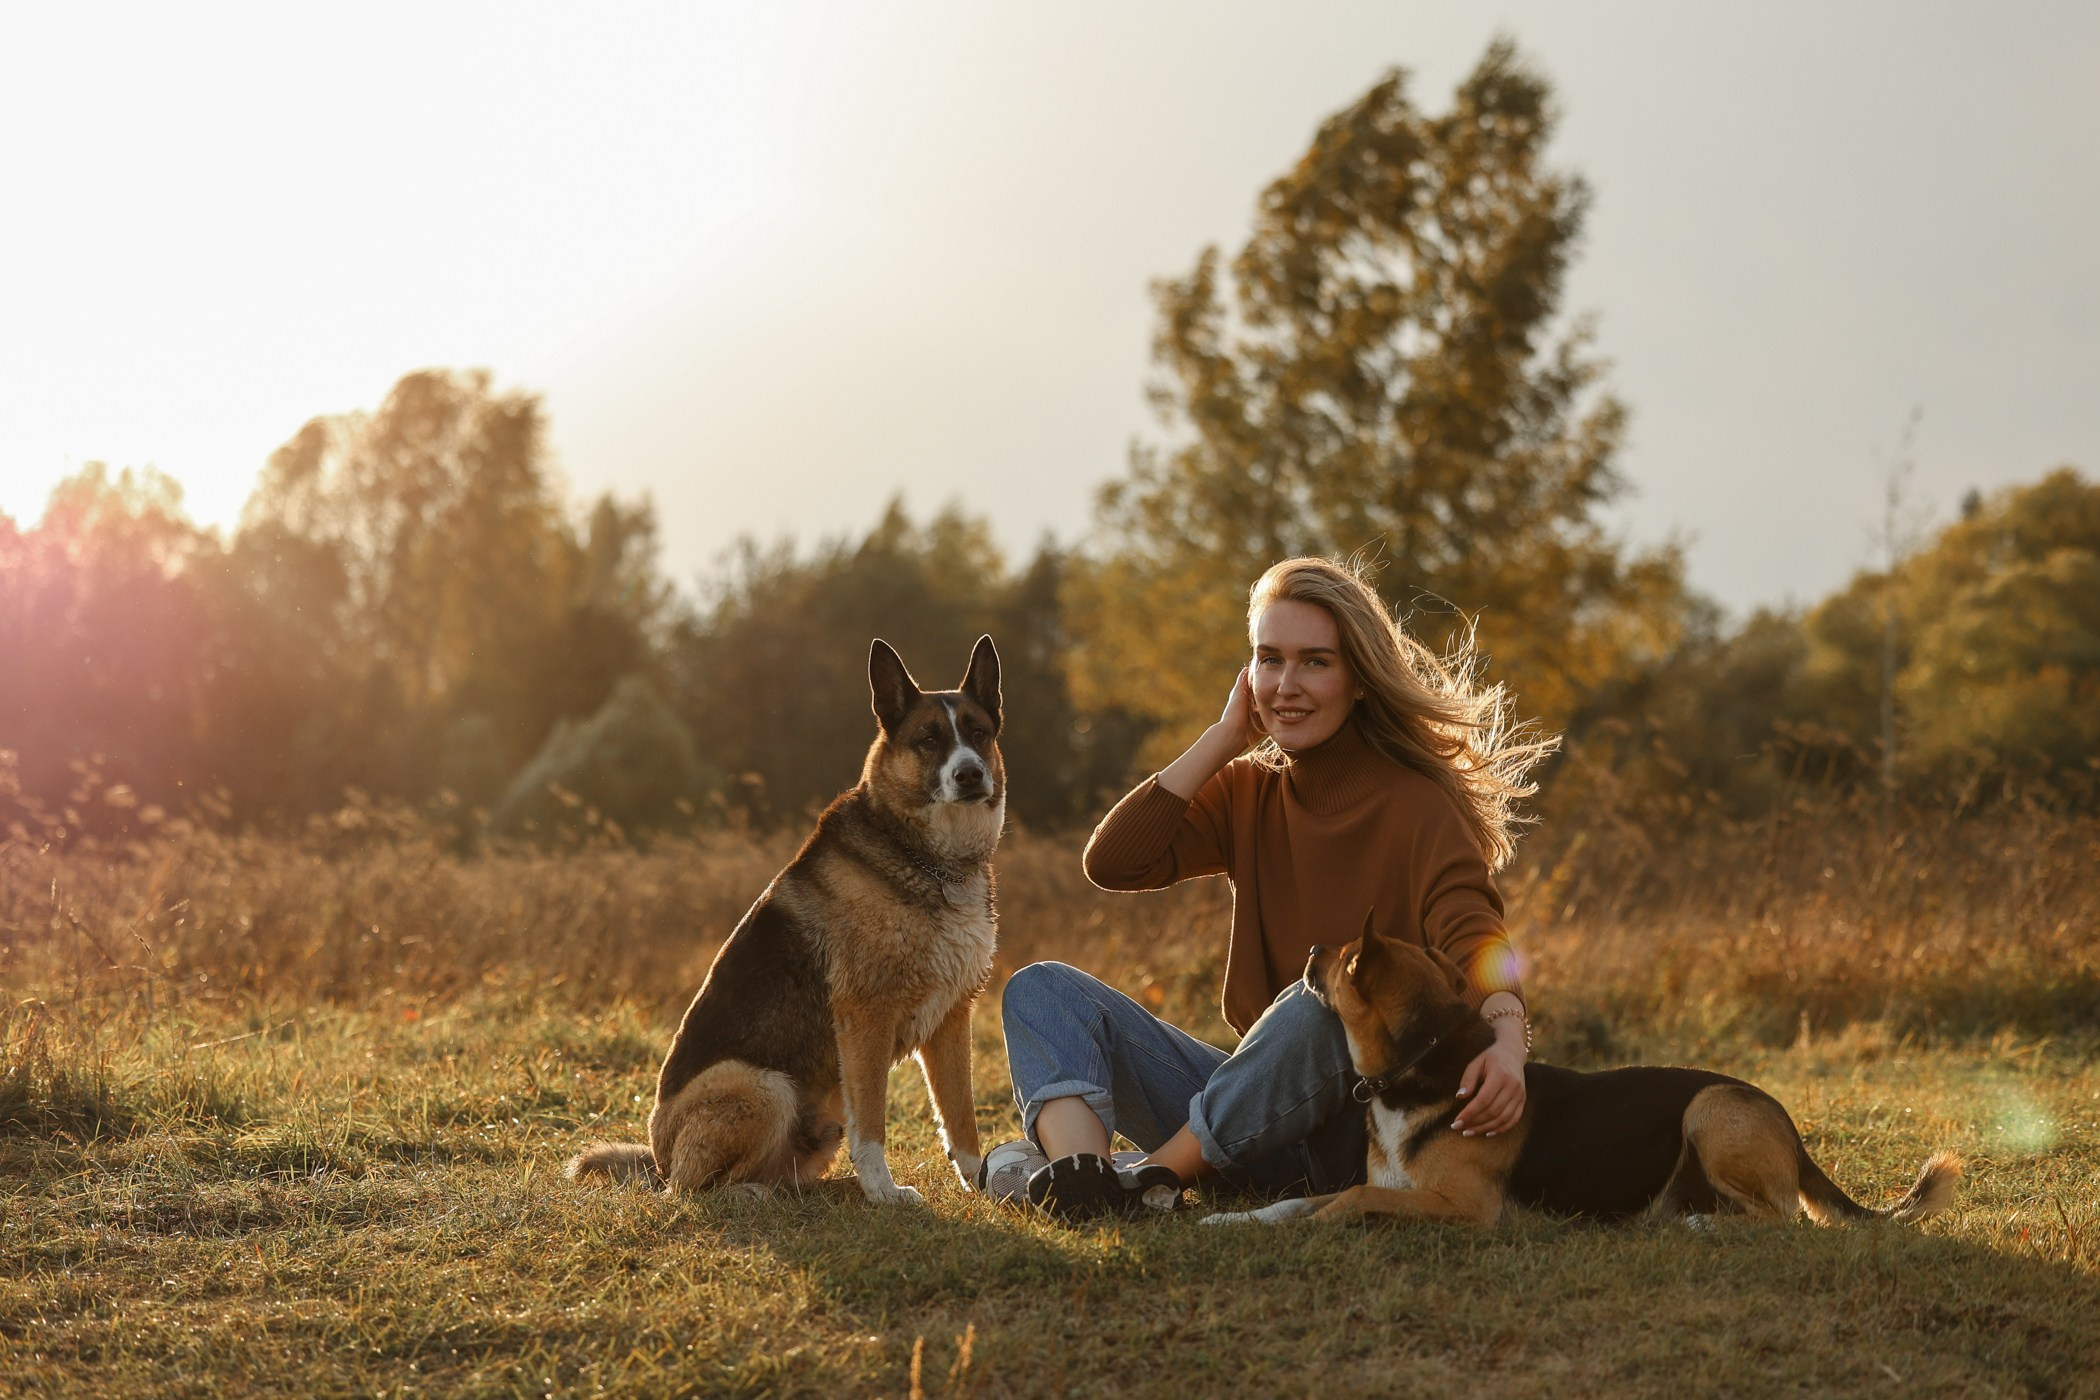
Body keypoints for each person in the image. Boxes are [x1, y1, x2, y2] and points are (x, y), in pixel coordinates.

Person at [981, 557, 1556, 1219]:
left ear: (1359, 680)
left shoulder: (1420, 807)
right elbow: (1114, 863)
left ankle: (1150, 1177)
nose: (1286, 685)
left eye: (1316, 662)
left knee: (1324, 1000)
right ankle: (1087, 1183)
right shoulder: (1248, 791)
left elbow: (1478, 939)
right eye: (1269, 659)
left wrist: (1507, 1042)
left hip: (1365, 1135)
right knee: (1042, 989)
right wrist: (1223, 737)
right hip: (1247, 1109)